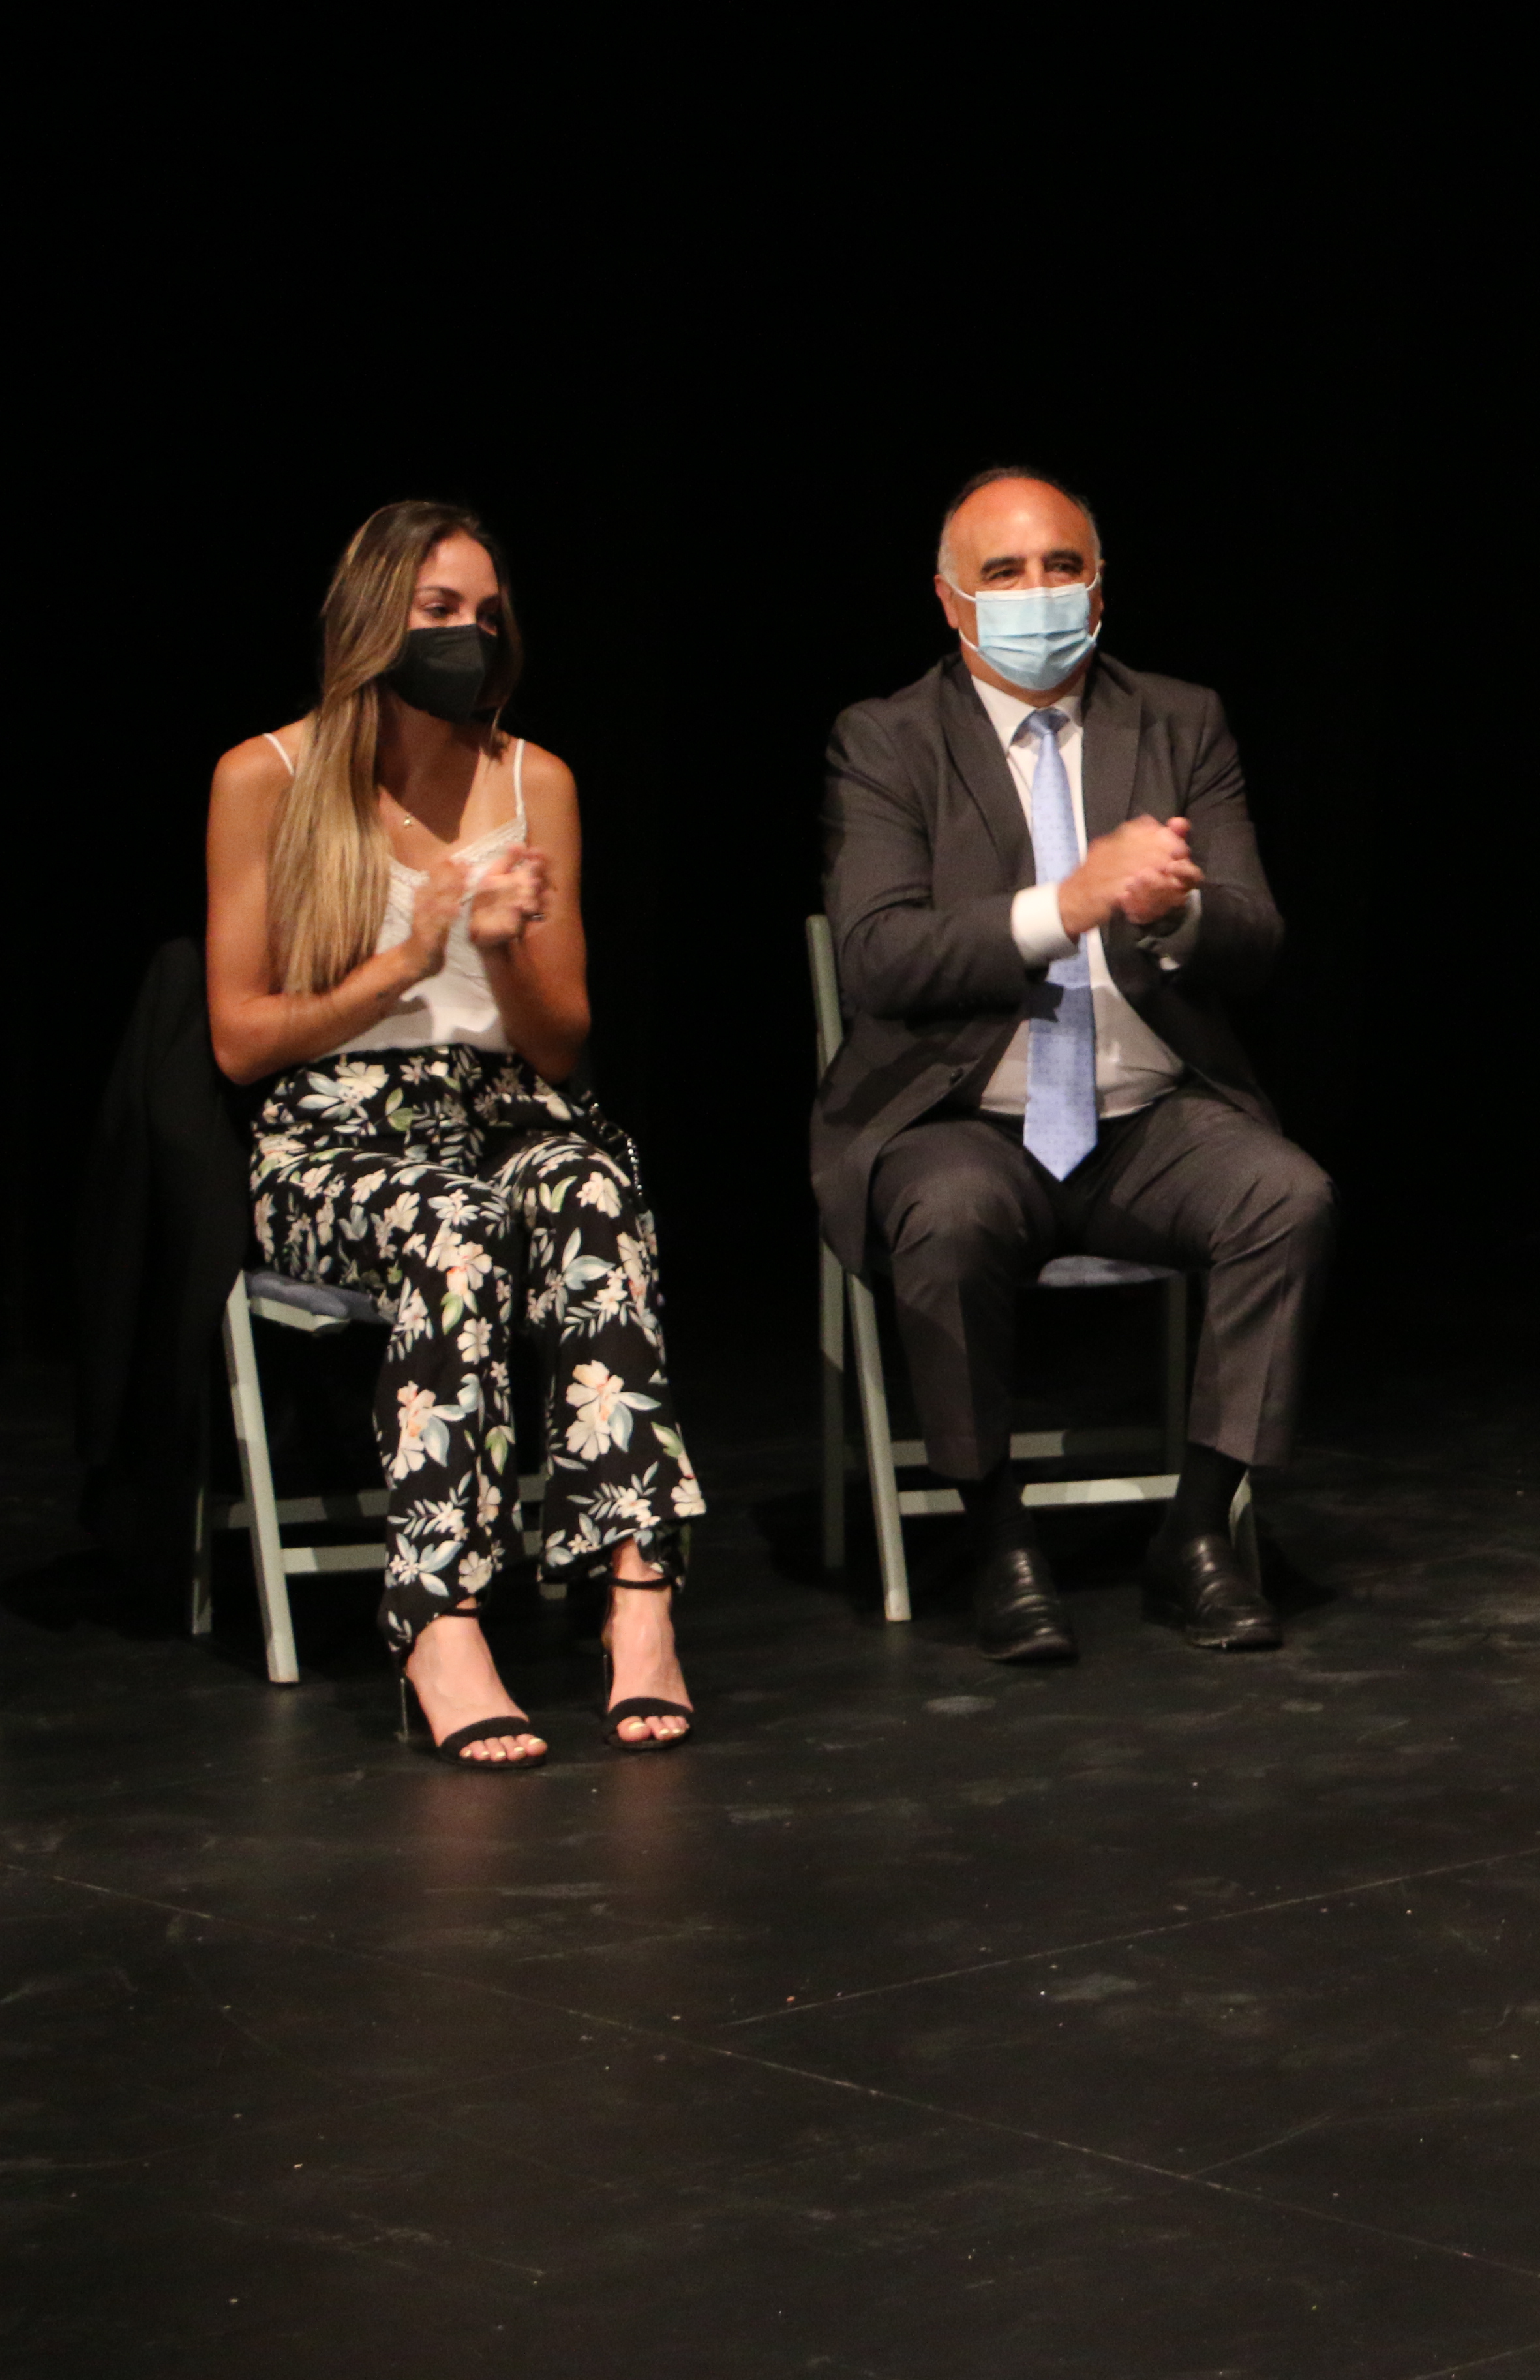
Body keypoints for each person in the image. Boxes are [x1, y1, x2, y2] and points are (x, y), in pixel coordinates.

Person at [204, 501, 706, 1765]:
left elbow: (558, 1043)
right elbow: (241, 1040)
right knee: (457, 1224)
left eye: (487, 616)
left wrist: (499, 953)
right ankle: (438, 1613)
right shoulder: (265, 777)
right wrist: (409, 959)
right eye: (440, 614)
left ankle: (637, 1597)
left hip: (502, 1109)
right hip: (334, 1140)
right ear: (373, 620)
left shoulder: (537, 782)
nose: (469, 638)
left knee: (594, 1182)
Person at [815, 469, 1330, 1665]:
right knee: (942, 1217)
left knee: (1287, 1197)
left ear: (1101, 585)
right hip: (961, 1115)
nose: (1038, 592)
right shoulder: (887, 739)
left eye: (1062, 566)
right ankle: (995, 1538)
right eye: (1004, 573)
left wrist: (1174, 913)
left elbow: (1256, 935)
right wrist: (1068, 902)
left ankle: (1199, 1530)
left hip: (1146, 1112)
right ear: (952, 602)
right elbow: (880, 957)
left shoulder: (1179, 719)